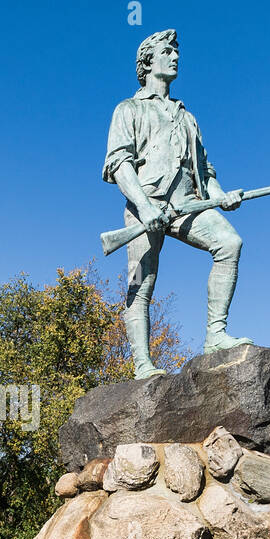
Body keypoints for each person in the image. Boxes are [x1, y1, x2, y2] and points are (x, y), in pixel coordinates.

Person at [104, 28, 249, 379]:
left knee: (230, 243)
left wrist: (220, 195)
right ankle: (142, 364)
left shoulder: (188, 117)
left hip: (187, 205)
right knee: (142, 284)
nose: (175, 56)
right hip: (145, 207)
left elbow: (204, 169)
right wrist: (145, 205)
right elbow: (118, 164)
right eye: (167, 51)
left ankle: (215, 335)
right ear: (147, 61)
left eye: (175, 52)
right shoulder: (128, 109)